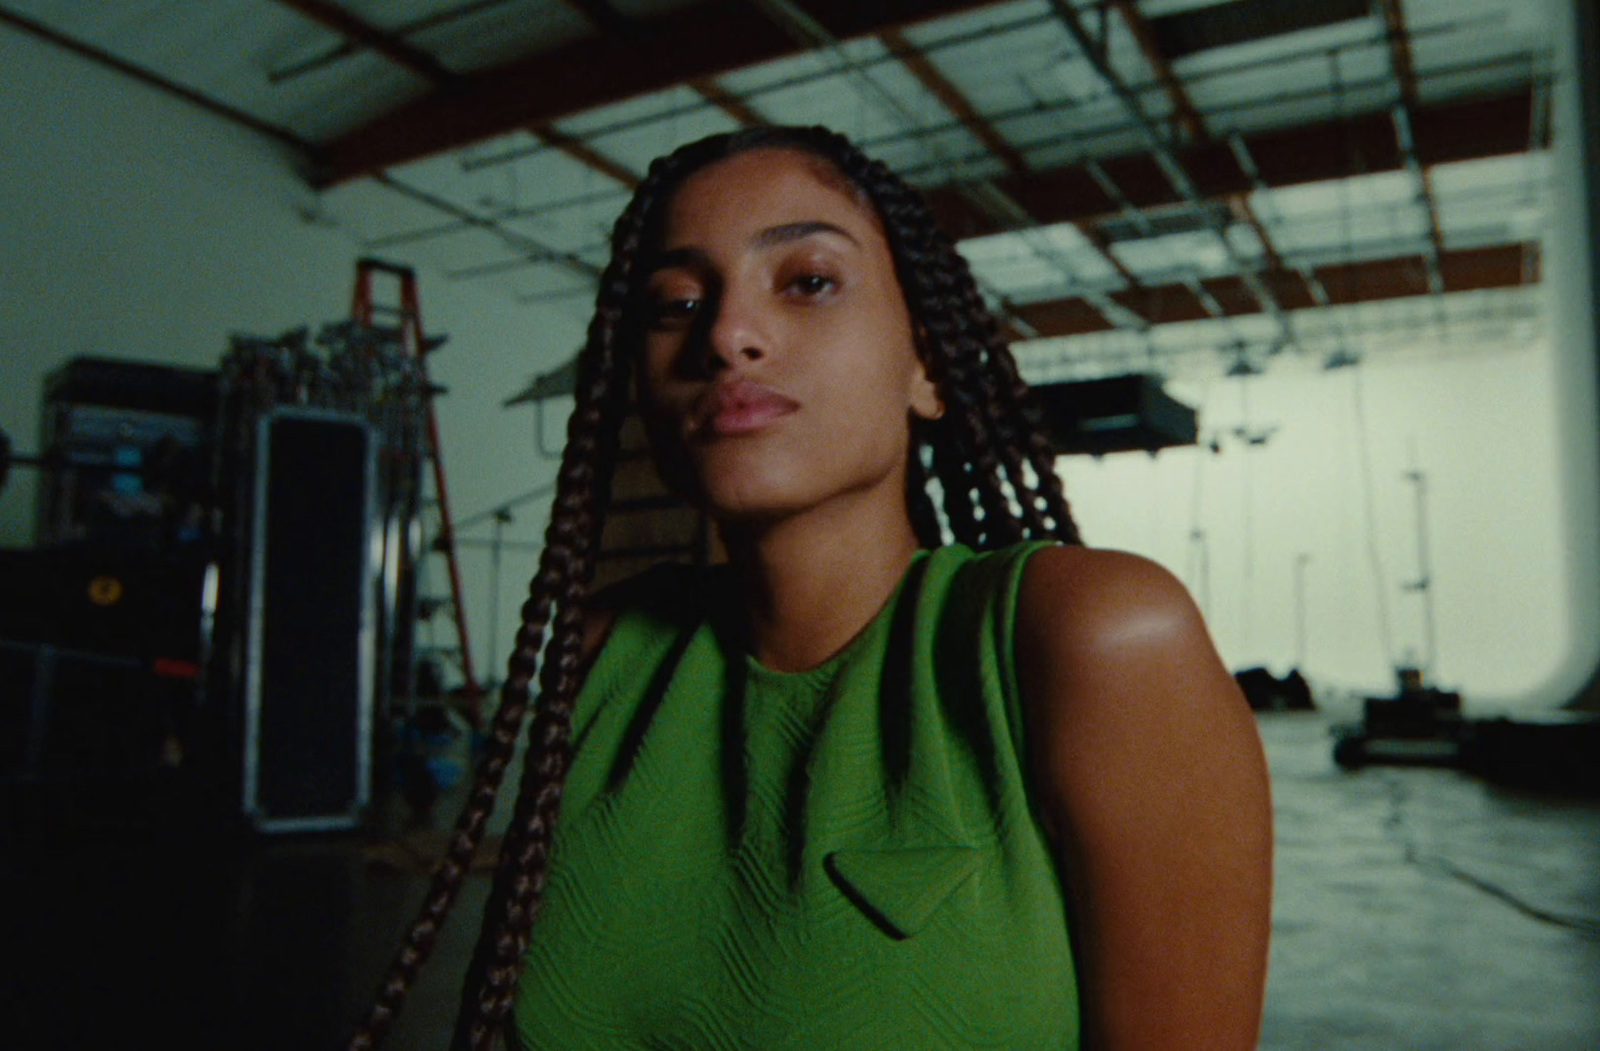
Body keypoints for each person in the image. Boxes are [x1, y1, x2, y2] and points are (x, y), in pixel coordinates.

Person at [348, 126, 1272, 1051]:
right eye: (673, 302)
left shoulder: (1090, 637)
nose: (724, 334)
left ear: (930, 366)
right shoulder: (604, 654)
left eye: (809, 280)